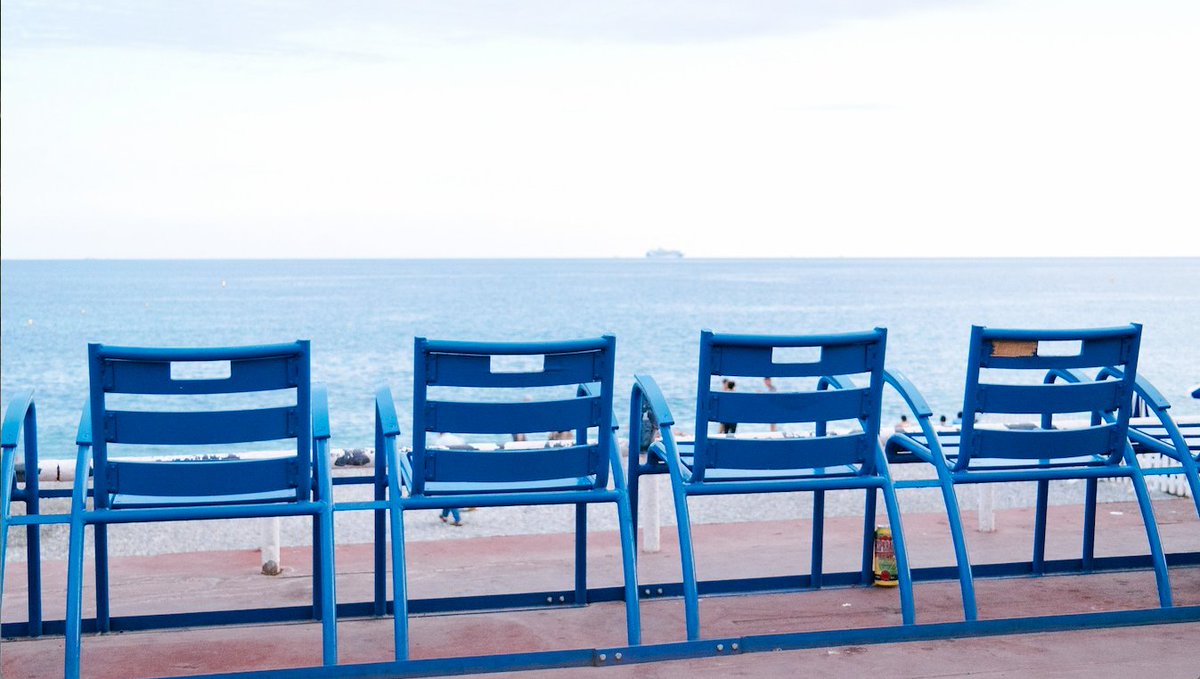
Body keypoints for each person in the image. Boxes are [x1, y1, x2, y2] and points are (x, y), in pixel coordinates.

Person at [434, 432, 467, 525]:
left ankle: (457, 519)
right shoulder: (457, 438)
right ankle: (444, 515)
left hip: (446, 472)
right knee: (449, 494)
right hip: (459, 471)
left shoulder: (440, 441)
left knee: (449, 495)